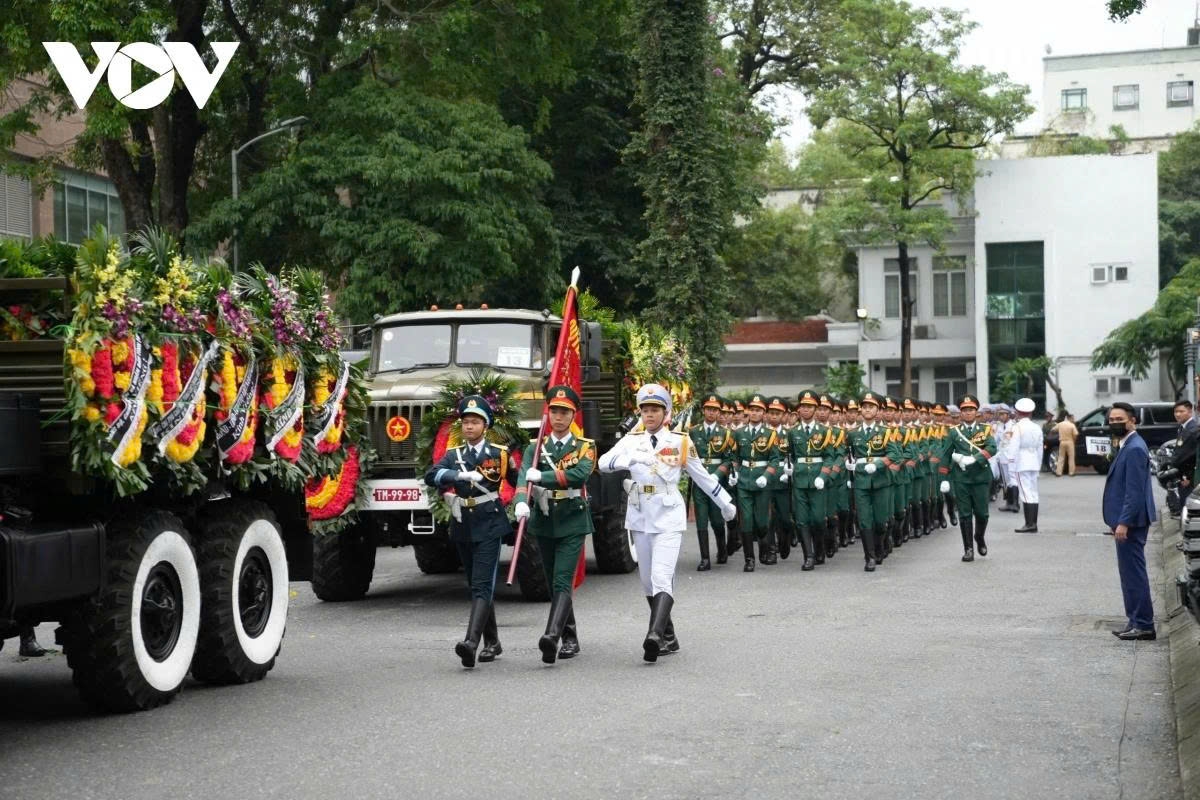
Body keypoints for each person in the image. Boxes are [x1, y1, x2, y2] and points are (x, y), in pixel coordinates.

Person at [598, 383, 736, 662]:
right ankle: (669, 636)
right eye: (645, 410)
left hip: (669, 514)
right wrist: (629, 456)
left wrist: (725, 502)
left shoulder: (680, 441)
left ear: (666, 412)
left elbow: (702, 477)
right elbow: (602, 463)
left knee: (662, 577)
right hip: (640, 514)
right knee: (648, 583)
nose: (649, 415)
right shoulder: (631, 440)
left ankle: (654, 635)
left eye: (655, 410)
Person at [424, 395, 516, 668]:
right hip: (463, 523)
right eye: (466, 422)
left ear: (484, 426)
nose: (469, 427)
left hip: (490, 522)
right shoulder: (454, 456)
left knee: (482, 584)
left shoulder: (499, 453)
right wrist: (457, 476)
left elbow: (517, 480)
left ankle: (471, 642)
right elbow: (431, 476)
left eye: (475, 422)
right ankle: (493, 641)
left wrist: (525, 495)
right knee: (477, 583)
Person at [515, 385, 596, 665]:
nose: (558, 417)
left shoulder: (585, 446)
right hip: (544, 519)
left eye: (564, 412)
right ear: (547, 413)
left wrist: (545, 476)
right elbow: (523, 476)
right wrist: (520, 502)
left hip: (572, 518)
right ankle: (570, 636)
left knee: (563, 579)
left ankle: (551, 636)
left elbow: (579, 474)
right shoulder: (534, 447)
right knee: (552, 582)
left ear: (573, 415)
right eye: (554, 411)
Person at [1102, 402, 1158, 641]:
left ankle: (1144, 624)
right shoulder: (1127, 445)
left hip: (1132, 523)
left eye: (1119, 419)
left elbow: (1134, 492)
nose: (1114, 423)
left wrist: (1123, 522)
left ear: (1132, 420)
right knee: (1128, 573)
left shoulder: (1135, 448)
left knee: (1134, 573)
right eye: (1111, 419)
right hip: (1126, 521)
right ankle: (1135, 620)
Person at [729, 394, 782, 571]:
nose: (754, 413)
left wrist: (766, 476)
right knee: (746, 521)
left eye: (758, 410)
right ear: (748, 411)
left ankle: (764, 549)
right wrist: (734, 472)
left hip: (761, 481)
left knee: (761, 522)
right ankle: (749, 559)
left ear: (764, 413)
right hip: (744, 480)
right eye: (752, 410)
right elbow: (734, 457)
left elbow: (775, 460)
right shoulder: (739, 433)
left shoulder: (770, 434)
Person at [689, 393, 736, 570]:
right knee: (701, 519)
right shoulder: (693, 432)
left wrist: (718, 474)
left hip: (717, 482)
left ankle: (722, 550)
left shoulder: (725, 433)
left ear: (719, 412)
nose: (711, 412)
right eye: (709, 409)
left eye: (715, 410)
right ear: (703, 410)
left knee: (717, 520)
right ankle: (705, 558)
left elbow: (728, 459)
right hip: (699, 481)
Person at [949, 394, 997, 562]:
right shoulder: (953, 432)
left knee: (982, 514)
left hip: (981, 477)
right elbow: (945, 454)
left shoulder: (984, 429)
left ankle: (979, 536)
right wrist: (944, 478)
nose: (968, 413)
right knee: (964, 514)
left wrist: (975, 458)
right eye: (964, 410)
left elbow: (992, 448)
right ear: (960, 413)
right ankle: (968, 548)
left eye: (971, 410)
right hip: (961, 478)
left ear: (976, 412)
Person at [847, 392, 890, 571]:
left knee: (880, 521)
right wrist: (848, 466)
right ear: (860, 411)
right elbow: (847, 454)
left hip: (880, 480)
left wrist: (879, 464)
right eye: (864, 407)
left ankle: (879, 547)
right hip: (862, 481)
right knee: (864, 520)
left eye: (871, 407)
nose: (867, 410)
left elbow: (895, 454)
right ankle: (869, 557)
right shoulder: (853, 433)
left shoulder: (886, 432)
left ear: (877, 410)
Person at [1011, 397, 1045, 533]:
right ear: (1030, 413)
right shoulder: (1037, 427)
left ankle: (1029, 524)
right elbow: (1040, 448)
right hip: (1033, 461)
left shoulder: (1017, 427)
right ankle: (1033, 523)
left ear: (1018, 412)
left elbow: (1013, 447)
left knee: (1025, 493)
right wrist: (1038, 464)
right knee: (1033, 493)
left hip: (1021, 461)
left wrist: (1011, 465)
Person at [1169, 399, 1198, 513]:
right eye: (1176, 412)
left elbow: (1193, 456)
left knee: (1188, 509)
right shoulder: (1183, 427)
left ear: (1190, 411)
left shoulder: (1192, 430)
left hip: (1188, 478)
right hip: (1182, 477)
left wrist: (1188, 476)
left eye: (1181, 411)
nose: (1177, 414)